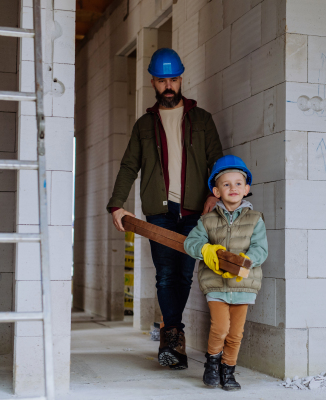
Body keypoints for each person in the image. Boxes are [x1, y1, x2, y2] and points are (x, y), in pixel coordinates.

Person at [106, 48, 223, 370]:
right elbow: (129, 165)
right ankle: (172, 335)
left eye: (173, 79)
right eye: (161, 81)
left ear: (181, 79)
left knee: (183, 274)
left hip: (193, 211)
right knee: (165, 274)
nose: (168, 86)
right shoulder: (144, 124)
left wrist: (215, 194)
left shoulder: (202, 120)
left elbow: (218, 161)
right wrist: (117, 205)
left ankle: (171, 334)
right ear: (153, 83)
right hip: (159, 209)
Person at [183, 155, 268, 391]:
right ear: (216, 191)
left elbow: (261, 249)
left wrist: (244, 262)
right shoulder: (207, 221)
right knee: (220, 328)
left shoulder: (255, 219)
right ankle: (212, 364)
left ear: (247, 189)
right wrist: (205, 249)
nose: (233, 188)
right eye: (226, 184)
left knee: (235, 333)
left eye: (238, 183)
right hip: (216, 285)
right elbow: (190, 243)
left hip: (244, 285)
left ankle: (228, 371)